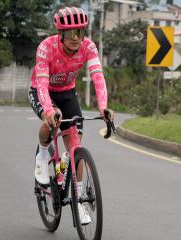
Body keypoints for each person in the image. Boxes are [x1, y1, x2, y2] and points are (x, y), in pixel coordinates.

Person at [28, 6, 114, 224]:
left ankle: (78, 203)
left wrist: (103, 106)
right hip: (42, 91)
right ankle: (42, 156)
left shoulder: (89, 47)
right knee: (54, 117)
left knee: (75, 143)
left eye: (80, 32)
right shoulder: (46, 47)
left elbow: (98, 76)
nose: (76, 38)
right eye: (70, 33)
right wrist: (48, 110)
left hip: (67, 93)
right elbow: (41, 82)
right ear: (60, 34)